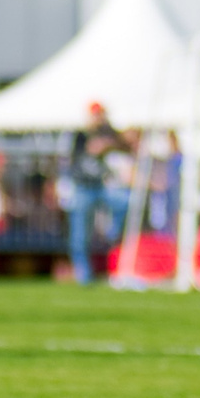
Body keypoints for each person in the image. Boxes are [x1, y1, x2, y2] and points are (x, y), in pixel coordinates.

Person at [68, 103, 131, 283]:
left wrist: (109, 141)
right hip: (82, 187)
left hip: (102, 186)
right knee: (80, 235)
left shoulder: (108, 132)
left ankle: (112, 233)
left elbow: (125, 145)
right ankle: (84, 275)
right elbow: (76, 156)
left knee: (125, 203)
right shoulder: (80, 135)